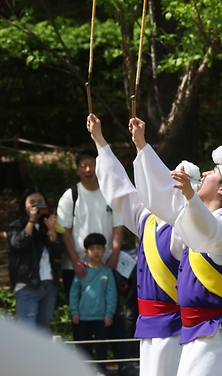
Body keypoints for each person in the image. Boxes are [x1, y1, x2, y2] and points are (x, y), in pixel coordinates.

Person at [135, 118, 222, 376]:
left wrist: (190, 197)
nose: (205, 174)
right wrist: (142, 144)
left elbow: (208, 230)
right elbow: (162, 195)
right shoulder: (199, 215)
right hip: (202, 332)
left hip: (217, 334)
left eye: (213, 173)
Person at [88, 113, 196, 376]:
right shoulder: (147, 219)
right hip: (148, 322)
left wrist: (142, 146)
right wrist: (99, 140)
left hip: (173, 324)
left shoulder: (187, 228)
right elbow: (120, 190)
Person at [57, 149, 132, 371]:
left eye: (93, 165)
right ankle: (83, 367)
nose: (89, 170)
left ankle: (124, 363)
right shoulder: (71, 195)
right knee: (79, 319)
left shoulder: (109, 194)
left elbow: (119, 227)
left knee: (112, 314)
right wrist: (75, 259)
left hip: (107, 266)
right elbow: (64, 231)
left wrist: (115, 254)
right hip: (77, 268)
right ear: (78, 169)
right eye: (85, 165)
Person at [7, 187, 63, 330]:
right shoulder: (17, 226)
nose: (36, 205)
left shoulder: (47, 226)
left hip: (49, 285)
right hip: (27, 285)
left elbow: (58, 249)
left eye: (40, 202)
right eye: (32, 202)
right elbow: (19, 243)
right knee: (28, 333)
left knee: (43, 332)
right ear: (24, 206)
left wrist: (51, 228)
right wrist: (31, 221)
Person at [69, 232, 117, 372]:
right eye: (92, 249)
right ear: (86, 251)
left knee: (101, 346)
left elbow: (111, 294)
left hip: (101, 317)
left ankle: (102, 371)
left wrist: (109, 313)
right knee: (84, 347)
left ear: (104, 250)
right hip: (83, 317)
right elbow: (74, 293)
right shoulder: (81, 271)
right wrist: (74, 311)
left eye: (99, 248)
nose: (96, 252)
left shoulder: (107, 271)